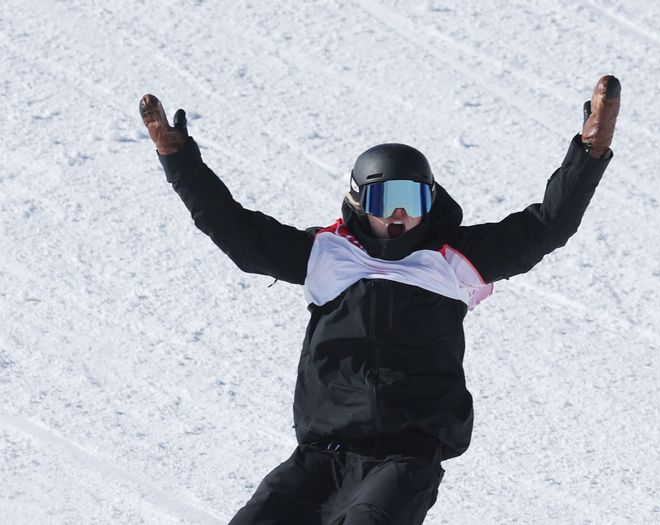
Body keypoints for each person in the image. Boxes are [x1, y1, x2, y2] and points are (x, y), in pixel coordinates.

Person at [139, 75, 620, 525]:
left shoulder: (453, 259)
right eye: (382, 202)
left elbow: (546, 226)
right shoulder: (325, 254)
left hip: (406, 456)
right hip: (322, 456)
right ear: (356, 203)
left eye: (412, 202)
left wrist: (590, 151)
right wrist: (179, 159)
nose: (397, 217)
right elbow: (235, 231)